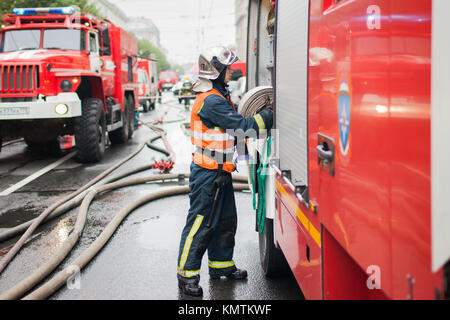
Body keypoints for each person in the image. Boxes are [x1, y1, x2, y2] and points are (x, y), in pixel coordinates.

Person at [177, 46, 273, 297]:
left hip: (220, 172)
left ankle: (221, 266)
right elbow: (243, 128)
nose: (232, 71)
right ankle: (186, 275)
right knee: (200, 224)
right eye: (228, 68)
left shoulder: (219, 95)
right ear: (217, 71)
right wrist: (269, 114)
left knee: (225, 221)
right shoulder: (211, 101)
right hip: (207, 174)